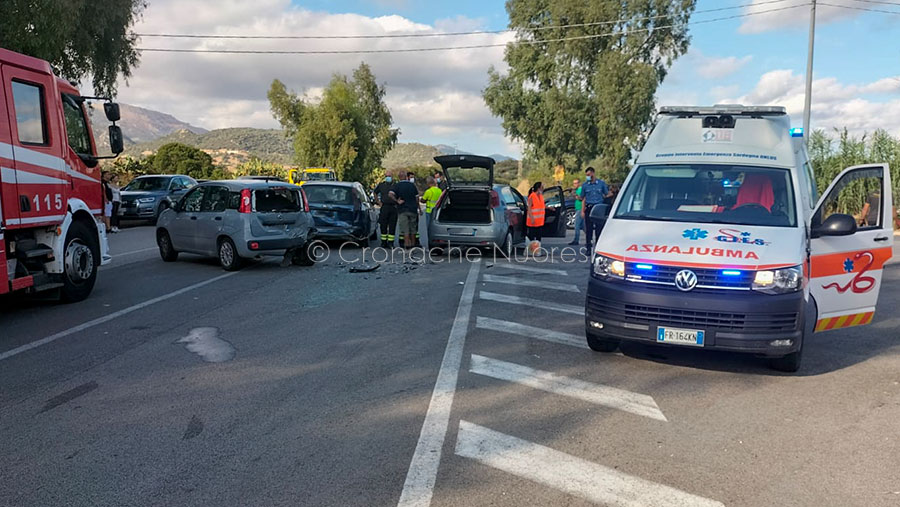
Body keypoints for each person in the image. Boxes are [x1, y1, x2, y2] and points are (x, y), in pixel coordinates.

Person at [581, 166, 611, 249]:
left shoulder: (601, 184)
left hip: (598, 208)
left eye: (589, 175)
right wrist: (582, 210)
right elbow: (582, 197)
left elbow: (607, 194)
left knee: (599, 229)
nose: (588, 177)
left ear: (593, 173)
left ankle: (598, 247)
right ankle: (588, 247)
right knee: (589, 229)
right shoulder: (585, 185)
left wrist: (606, 197)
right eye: (587, 175)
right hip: (589, 207)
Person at [390, 173, 420, 249]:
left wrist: (397, 201)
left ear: (399, 178)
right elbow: (417, 197)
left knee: (405, 229)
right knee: (413, 229)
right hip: (413, 210)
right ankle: (413, 245)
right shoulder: (412, 185)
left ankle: (407, 246)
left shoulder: (397, 186)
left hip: (402, 210)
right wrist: (417, 206)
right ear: (406, 177)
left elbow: (390, 194)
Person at [374, 170, 398, 248]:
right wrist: (378, 201)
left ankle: (390, 242)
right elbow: (375, 192)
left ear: (392, 176)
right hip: (384, 207)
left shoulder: (396, 185)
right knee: (383, 225)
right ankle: (383, 242)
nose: (388, 178)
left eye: (389, 176)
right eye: (387, 176)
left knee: (392, 225)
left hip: (393, 207)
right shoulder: (381, 185)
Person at [526, 181, 546, 254]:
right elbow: (529, 208)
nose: (543, 188)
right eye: (542, 186)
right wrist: (532, 218)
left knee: (538, 237)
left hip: (539, 221)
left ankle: (537, 251)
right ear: (539, 188)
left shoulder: (540, 196)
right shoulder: (532, 196)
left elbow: (541, 206)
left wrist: (549, 208)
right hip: (532, 221)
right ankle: (531, 250)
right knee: (532, 237)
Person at [568, 178, 583, 246]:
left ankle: (576, 240)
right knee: (583, 226)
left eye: (576, 183)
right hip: (578, 208)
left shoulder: (580, 190)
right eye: (574, 183)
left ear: (579, 183)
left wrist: (575, 194)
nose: (574, 185)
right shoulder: (577, 190)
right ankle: (590, 238)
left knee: (577, 225)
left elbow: (580, 198)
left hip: (580, 208)